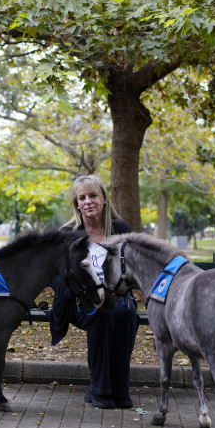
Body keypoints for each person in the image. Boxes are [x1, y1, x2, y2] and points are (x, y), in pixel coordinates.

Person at [47, 174, 138, 410]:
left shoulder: (119, 228)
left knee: (126, 315)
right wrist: (83, 292)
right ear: (77, 204)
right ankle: (99, 389)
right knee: (102, 315)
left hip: (116, 299)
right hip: (80, 303)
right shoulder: (69, 233)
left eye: (93, 196)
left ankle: (120, 389)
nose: (88, 201)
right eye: (82, 197)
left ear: (104, 199)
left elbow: (131, 269)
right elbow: (55, 277)